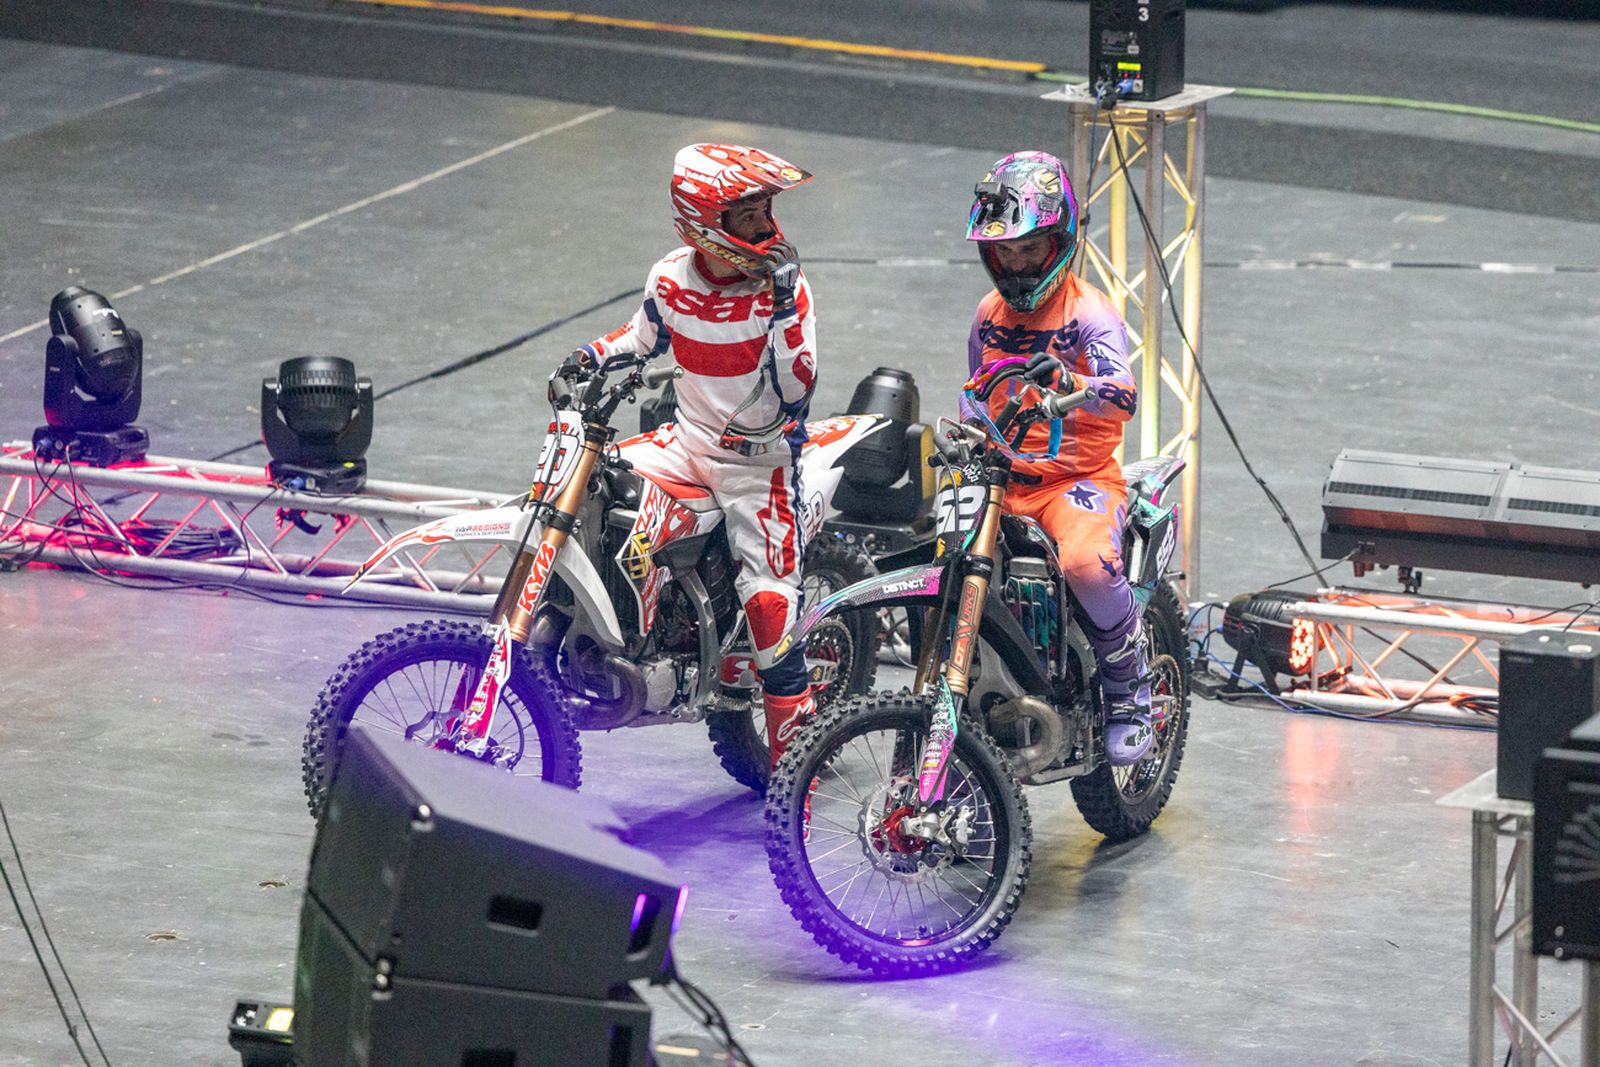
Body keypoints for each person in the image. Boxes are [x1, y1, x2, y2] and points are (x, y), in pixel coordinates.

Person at [563, 143, 819, 767]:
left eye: (764, 209)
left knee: (769, 607)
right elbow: (640, 336)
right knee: (595, 485)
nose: (765, 225)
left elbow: (797, 385)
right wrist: (589, 357)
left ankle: (796, 771)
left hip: (757, 468)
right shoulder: (671, 275)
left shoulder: (785, 290)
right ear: (706, 222)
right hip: (684, 443)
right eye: (749, 213)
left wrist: (784, 304)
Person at [960, 150, 1153, 765]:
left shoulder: (1089, 312)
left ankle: (1130, 687)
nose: (1016, 266)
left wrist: (1069, 387)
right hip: (1002, 477)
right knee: (946, 565)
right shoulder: (988, 316)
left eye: (1029, 251)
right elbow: (977, 395)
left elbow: (1123, 395)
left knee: (1087, 566)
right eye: (1005, 254)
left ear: (1060, 242)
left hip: (1078, 478)